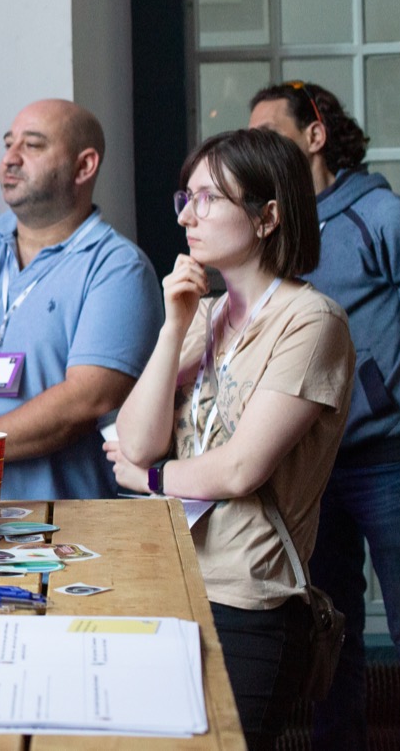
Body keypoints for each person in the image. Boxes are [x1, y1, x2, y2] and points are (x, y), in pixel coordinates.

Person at [106, 128, 354, 751]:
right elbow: (135, 440)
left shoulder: (311, 320)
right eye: (185, 197)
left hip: (251, 600)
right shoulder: (205, 314)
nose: (187, 216)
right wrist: (174, 328)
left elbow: (242, 469)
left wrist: (151, 480)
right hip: (174, 575)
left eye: (209, 198)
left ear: (267, 216)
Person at [249, 81, 400, 749]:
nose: (257, 149)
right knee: (328, 632)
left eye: (270, 134)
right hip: (312, 469)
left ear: (315, 136)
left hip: (394, 463)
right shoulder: (272, 230)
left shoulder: (381, 214)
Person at [0, 99, 161, 500]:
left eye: (32, 145)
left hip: (65, 524)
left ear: (84, 166)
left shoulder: (118, 267)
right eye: (8, 144)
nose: (10, 159)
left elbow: (88, 398)